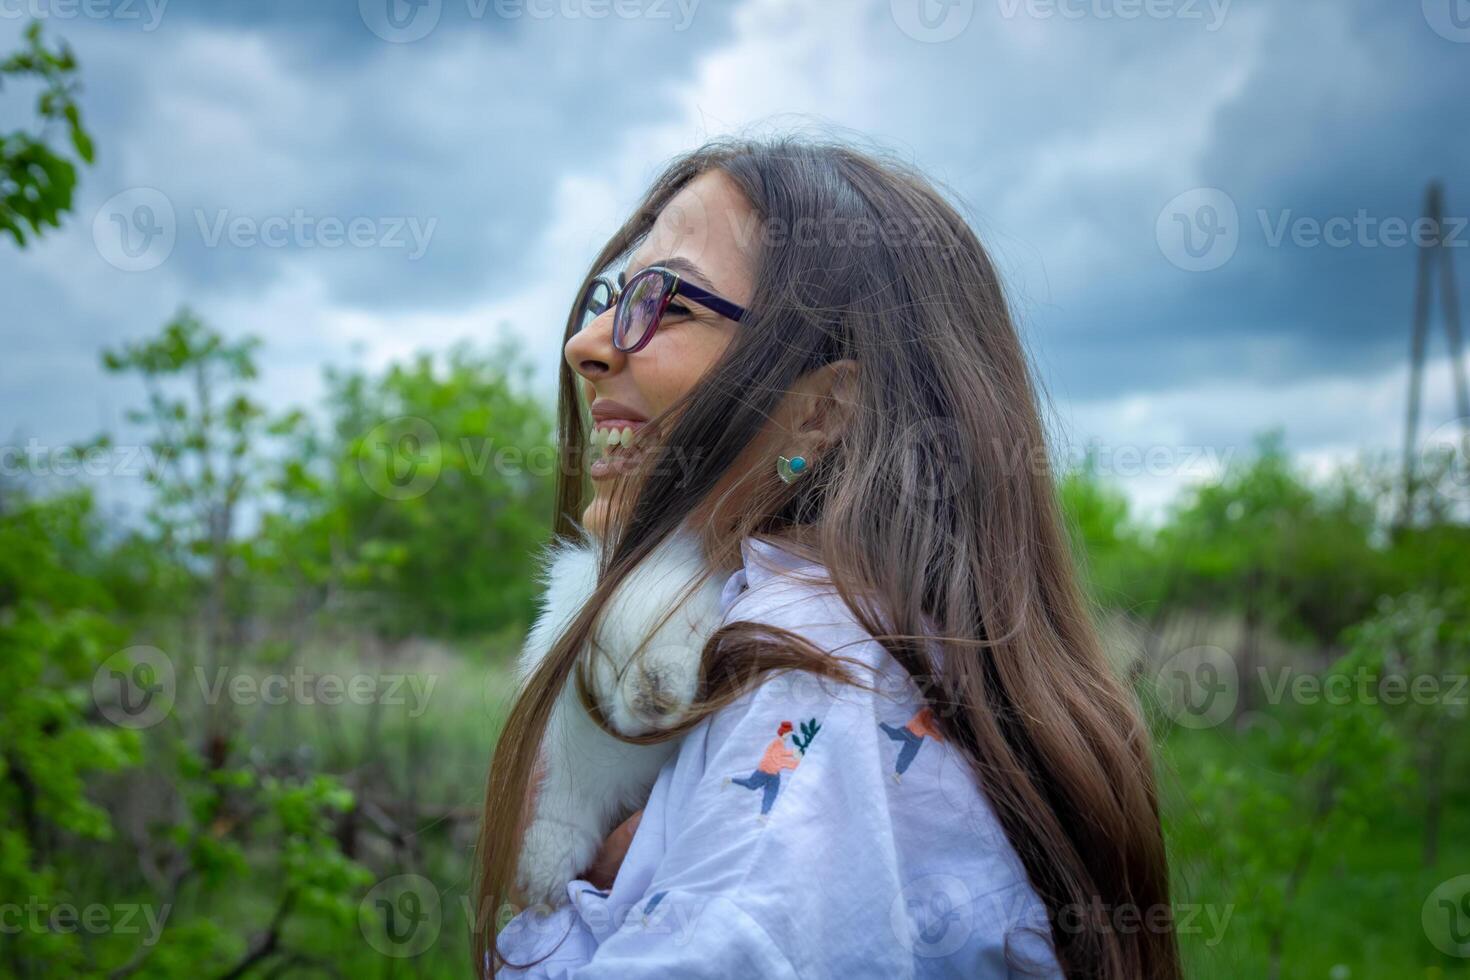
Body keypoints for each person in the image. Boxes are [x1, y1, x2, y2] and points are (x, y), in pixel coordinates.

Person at [474, 135, 1180, 979]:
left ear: (818, 414)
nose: (586, 342)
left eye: (666, 300)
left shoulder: (819, 678)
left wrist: (561, 904)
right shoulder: (872, 647)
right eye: (614, 295)